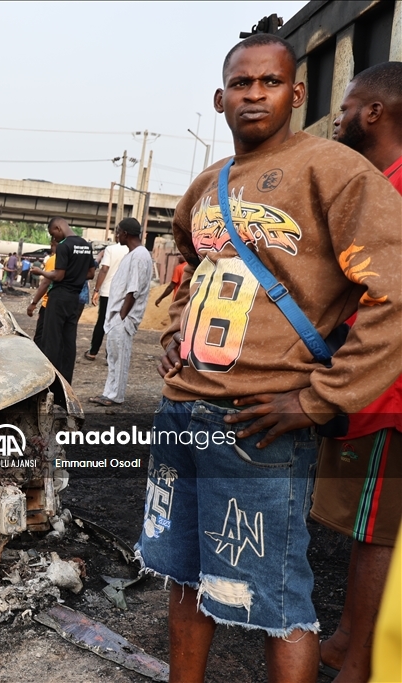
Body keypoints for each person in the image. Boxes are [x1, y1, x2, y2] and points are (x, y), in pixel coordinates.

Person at [145, 35, 401, 683]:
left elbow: (395, 294)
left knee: (275, 601)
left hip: (258, 424)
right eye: (241, 83)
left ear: (297, 93)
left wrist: (320, 397)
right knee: (182, 575)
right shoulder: (207, 185)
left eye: (269, 82)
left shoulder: (335, 172)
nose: (254, 94)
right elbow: (193, 265)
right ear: (220, 98)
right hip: (181, 414)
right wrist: (177, 331)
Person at [310, 61, 402, 683]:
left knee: (377, 529)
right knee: (367, 522)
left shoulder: (393, 189)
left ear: (374, 112)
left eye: (345, 107)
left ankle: (361, 662)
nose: (338, 119)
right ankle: (348, 639)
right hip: (374, 386)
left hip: (387, 391)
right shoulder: (379, 182)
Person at [88, 218, 151, 407]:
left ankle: (114, 395)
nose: (117, 235)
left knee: (119, 358)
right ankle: (109, 393)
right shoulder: (134, 254)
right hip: (118, 315)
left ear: (125, 233)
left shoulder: (139, 255)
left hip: (123, 317)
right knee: (114, 358)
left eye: (118, 232)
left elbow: (133, 290)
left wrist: (122, 316)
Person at [31, 217, 94, 386]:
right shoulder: (86, 246)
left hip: (59, 297)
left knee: (51, 340)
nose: (55, 238)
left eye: (53, 233)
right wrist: (75, 275)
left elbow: (58, 276)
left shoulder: (64, 246)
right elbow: (91, 273)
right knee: (68, 341)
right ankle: (66, 384)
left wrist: (41, 272)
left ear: (58, 227)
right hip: (75, 299)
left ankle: (50, 383)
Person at [85, 239, 129, 361]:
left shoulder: (110, 249)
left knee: (102, 322)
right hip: (123, 293)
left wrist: (96, 290)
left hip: (107, 292)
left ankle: (93, 352)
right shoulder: (132, 250)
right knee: (117, 323)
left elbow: (104, 269)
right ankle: (110, 355)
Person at [26, 238, 58, 350]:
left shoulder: (54, 259)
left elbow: (46, 282)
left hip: (48, 304)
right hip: (64, 304)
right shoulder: (71, 259)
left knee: (40, 337)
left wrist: (33, 303)